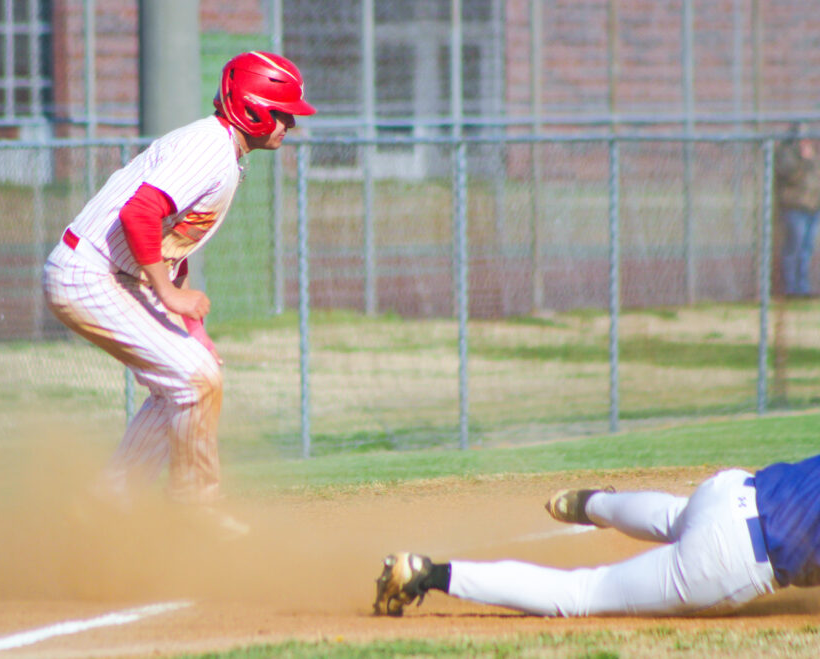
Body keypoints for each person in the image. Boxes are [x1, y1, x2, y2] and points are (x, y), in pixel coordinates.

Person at [43, 52, 315, 533]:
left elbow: (171, 241)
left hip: (114, 273)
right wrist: (169, 296)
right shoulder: (208, 148)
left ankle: (104, 508)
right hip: (90, 272)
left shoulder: (223, 152)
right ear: (251, 110)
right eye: (282, 112)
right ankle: (194, 508)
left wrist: (194, 331)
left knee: (191, 378)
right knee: (195, 378)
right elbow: (139, 214)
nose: (290, 123)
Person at [373, 454, 820, 617]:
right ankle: (426, 574)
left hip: (732, 491)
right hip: (732, 559)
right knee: (583, 593)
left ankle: (589, 504)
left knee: (678, 514)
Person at [775, 124, 820, 298]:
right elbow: (791, 176)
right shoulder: (787, 155)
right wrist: (804, 160)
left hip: (813, 208)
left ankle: (803, 288)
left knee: (806, 250)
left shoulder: (812, 155)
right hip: (795, 208)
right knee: (794, 248)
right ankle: (790, 289)